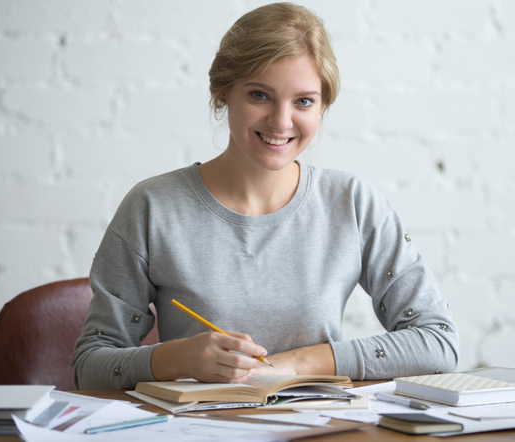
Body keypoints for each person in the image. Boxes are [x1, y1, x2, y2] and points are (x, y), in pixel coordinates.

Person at [73, 2, 459, 390]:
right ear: (223, 92)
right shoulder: (152, 208)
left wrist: (298, 363)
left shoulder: (353, 204)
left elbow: (437, 342)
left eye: (303, 101)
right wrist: (176, 358)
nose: (281, 121)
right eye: (259, 95)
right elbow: (90, 364)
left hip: (322, 428)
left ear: (323, 105)